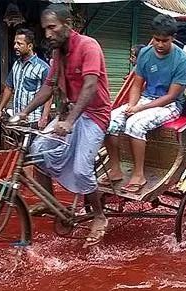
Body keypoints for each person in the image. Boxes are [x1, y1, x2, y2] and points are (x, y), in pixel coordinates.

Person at [15, 4, 112, 247]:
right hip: (70, 114)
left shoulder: (89, 46)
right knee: (37, 151)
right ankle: (51, 203)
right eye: (45, 29)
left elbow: (90, 87)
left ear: (68, 24)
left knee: (81, 169)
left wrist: (68, 121)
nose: (47, 34)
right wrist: (23, 113)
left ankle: (99, 217)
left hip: (94, 115)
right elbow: (48, 87)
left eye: (52, 27)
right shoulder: (58, 54)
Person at [102, 14, 186, 193]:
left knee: (135, 125)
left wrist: (139, 109)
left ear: (172, 38)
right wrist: (131, 106)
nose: (159, 44)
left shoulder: (182, 60)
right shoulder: (145, 53)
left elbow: (172, 96)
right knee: (108, 121)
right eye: (156, 40)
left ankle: (138, 174)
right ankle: (116, 169)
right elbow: (137, 84)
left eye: (164, 41)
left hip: (169, 105)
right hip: (144, 99)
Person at [0, 28, 51, 129]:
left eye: (19, 44)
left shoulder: (43, 68)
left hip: (33, 120)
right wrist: (0, 109)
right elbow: (9, 87)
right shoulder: (16, 64)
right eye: (15, 43)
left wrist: (44, 117)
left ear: (30, 46)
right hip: (17, 118)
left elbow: (49, 95)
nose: (15, 46)